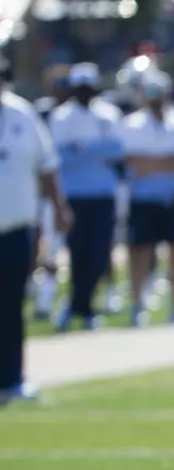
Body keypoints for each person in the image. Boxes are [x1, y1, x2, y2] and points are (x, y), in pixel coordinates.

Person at [0, 51, 70, 403]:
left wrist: (58, 208)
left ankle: (11, 378)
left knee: (12, 305)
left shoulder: (22, 116)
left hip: (14, 227)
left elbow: (47, 166)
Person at [48, 63, 123, 332]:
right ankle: (80, 306)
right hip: (74, 195)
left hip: (103, 193)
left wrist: (83, 147)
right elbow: (59, 155)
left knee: (100, 252)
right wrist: (93, 150)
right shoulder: (62, 116)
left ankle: (82, 304)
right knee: (78, 252)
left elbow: (116, 149)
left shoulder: (108, 113)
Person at [119, 68, 174, 324]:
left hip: (171, 198)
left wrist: (150, 163)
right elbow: (132, 162)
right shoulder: (132, 123)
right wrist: (165, 162)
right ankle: (137, 305)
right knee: (139, 250)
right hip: (142, 197)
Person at [28, 65, 71, 321]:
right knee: (32, 244)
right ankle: (31, 288)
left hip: (63, 189)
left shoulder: (71, 115)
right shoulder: (38, 112)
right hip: (36, 191)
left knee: (54, 246)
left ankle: (46, 297)